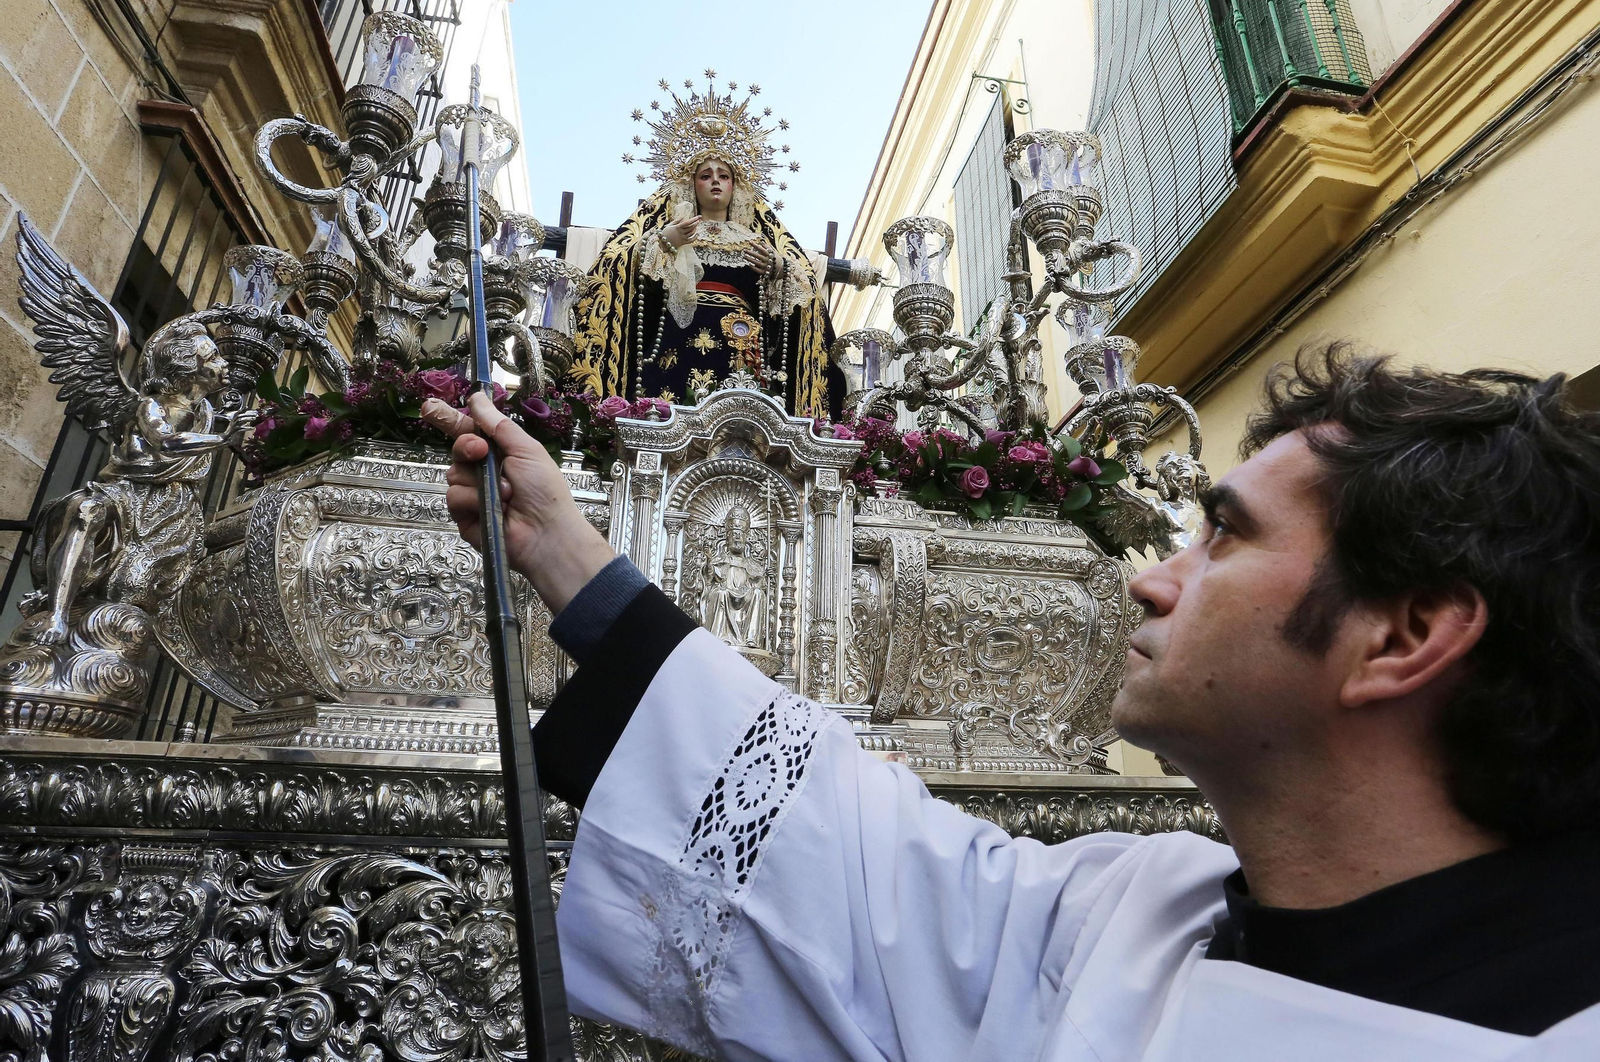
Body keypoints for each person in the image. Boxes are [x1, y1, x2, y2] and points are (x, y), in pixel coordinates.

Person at [421, 344, 1600, 1060]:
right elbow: (857, 859)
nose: (1153, 576)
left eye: (1224, 536)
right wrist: (563, 556)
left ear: (1402, 636)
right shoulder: (1137, 907)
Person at [570, 75, 849, 418]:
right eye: (705, 175)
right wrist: (663, 244)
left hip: (740, 349)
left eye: (723, 175)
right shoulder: (669, 230)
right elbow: (616, 265)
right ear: (692, 185)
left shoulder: (756, 240)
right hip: (675, 342)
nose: (715, 180)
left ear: (736, 186)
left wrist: (778, 269)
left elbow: (799, 294)